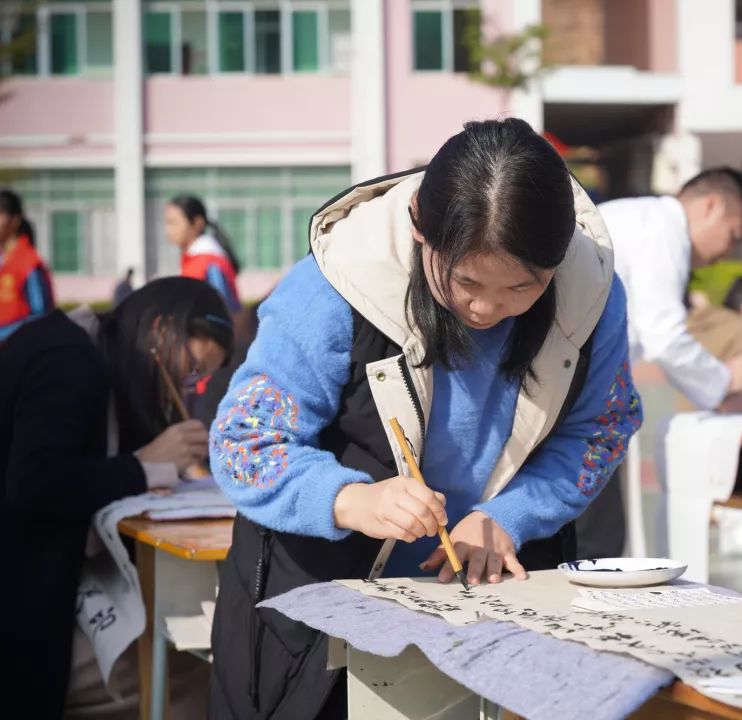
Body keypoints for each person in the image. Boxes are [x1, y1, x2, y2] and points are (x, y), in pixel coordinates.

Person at [207, 119, 642, 718]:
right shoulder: (337, 287)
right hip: (320, 612)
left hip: (495, 603)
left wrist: (509, 516)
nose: (487, 308)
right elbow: (244, 443)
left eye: (524, 286)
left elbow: (602, 428)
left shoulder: (592, 295)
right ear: (419, 225)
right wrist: (351, 501)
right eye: (464, 280)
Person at [0, 277, 233, 719]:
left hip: (44, 587)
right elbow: (34, 482)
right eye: (192, 370)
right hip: (21, 609)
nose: (189, 386)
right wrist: (142, 465)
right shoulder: (66, 360)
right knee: (190, 667)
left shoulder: (96, 358)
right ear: (161, 331)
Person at [576, 168, 742, 558]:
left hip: (584, 384)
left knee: (592, 532)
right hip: (580, 393)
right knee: (595, 538)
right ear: (711, 206)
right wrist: (727, 380)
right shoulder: (664, 229)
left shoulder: (644, 219)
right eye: (733, 235)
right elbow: (664, 337)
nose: (726, 253)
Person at [165, 195, 243, 313]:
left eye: (174, 223)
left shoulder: (208, 262)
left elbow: (221, 312)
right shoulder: (195, 258)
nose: (168, 229)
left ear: (197, 223)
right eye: (167, 223)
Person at [0, 189, 55, 341]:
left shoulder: (28, 262)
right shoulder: (4, 261)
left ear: (15, 220)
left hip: (19, 351)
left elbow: (40, 316)